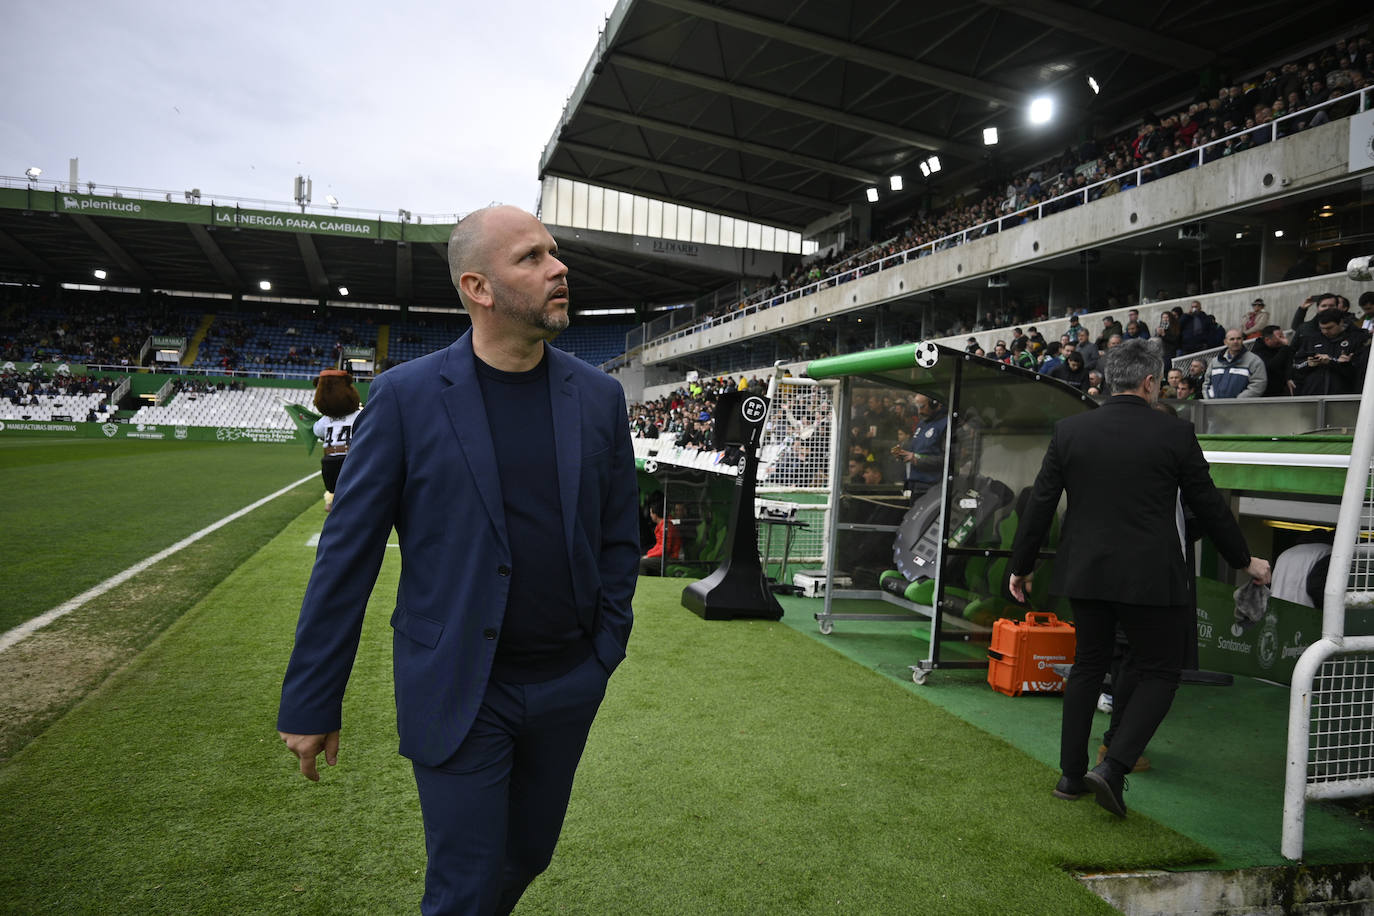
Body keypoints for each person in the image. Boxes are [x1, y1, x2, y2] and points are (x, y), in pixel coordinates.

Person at [277, 205, 639, 915]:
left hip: (569, 680)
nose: (558, 268)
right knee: (465, 884)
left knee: (528, 854)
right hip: (460, 688)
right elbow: (346, 558)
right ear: (478, 287)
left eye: (554, 253)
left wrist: (605, 647)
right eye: (532, 258)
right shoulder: (407, 398)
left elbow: (619, 534)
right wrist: (312, 699)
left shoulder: (597, 397)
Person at [1008, 338, 1270, 818]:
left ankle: (1070, 776)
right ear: (1150, 382)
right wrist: (1244, 559)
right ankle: (1113, 767)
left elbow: (1040, 504)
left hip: (1085, 572)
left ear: (1111, 379)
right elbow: (1209, 506)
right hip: (1151, 576)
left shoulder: (1070, 431)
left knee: (1089, 665)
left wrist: (1020, 566)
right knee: (1160, 671)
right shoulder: (1174, 434)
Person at [311, 368, 362, 512]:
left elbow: (317, 431)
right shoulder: (358, 415)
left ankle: (333, 504)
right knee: (353, 492)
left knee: (336, 491)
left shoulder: (326, 419)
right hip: (351, 458)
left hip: (330, 460)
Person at [893, 393, 948, 503]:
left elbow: (947, 459)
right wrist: (903, 453)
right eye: (917, 408)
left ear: (934, 403)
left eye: (922, 407)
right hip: (915, 485)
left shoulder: (946, 424)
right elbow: (916, 451)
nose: (919, 412)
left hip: (932, 486)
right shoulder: (922, 424)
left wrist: (916, 458)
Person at [1203, 329, 1267, 399]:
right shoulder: (1215, 362)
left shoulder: (1254, 361)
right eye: (1232, 339)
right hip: (1215, 407)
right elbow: (1207, 383)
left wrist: (1238, 401)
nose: (1235, 342)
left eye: (1238, 338)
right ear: (1225, 342)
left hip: (1241, 407)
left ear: (1242, 340)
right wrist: (1211, 400)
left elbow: (1258, 384)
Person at [639, 501, 682, 575]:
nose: (650, 515)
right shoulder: (662, 526)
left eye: (651, 513)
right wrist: (648, 554)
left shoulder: (666, 527)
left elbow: (665, 549)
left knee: (641, 563)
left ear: (655, 515)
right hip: (665, 556)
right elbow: (659, 545)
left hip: (671, 558)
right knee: (642, 558)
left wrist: (649, 556)